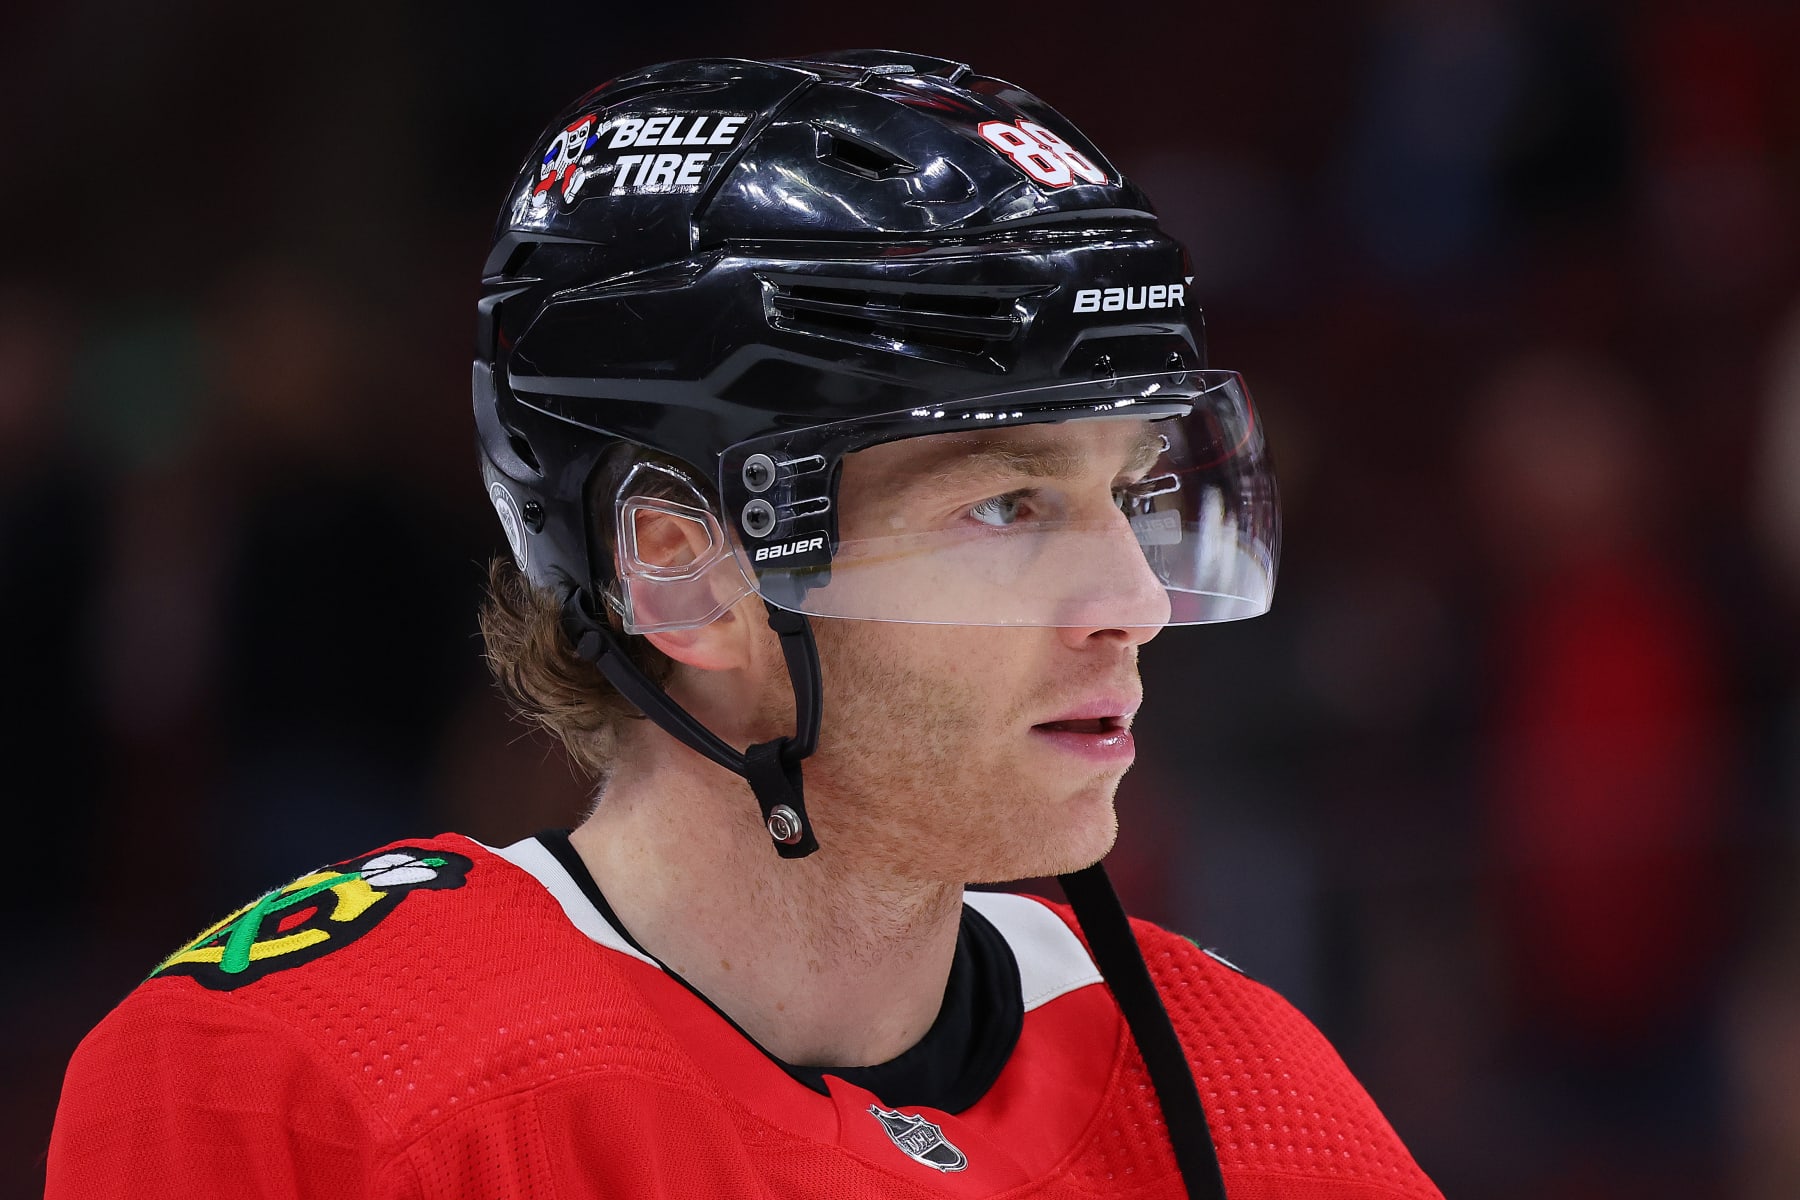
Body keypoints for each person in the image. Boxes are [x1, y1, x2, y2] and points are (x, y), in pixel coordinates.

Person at [47, 51, 1441, 1199]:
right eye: (1008, 507)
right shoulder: (312, 1088)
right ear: (682, 570)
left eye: (1132, 493)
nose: (1133, 604)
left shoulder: (1242, 1091)